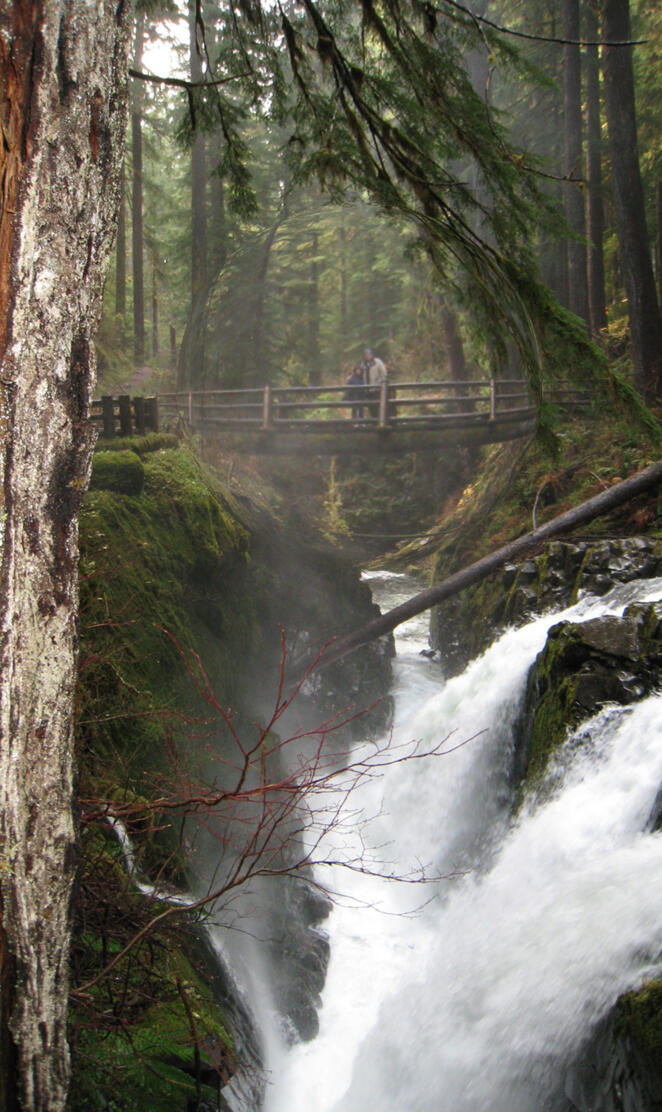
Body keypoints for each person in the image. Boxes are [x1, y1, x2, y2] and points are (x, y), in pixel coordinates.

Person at [361, 348, 388, 417]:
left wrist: (381, 383)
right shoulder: (364, 364)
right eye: (366, 355)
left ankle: (379, 419)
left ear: (372, 355)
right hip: (368, 389)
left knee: (378, 405)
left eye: (369, 354)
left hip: (377, 388)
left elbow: (383, 373)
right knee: (371, 407)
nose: (367, 356)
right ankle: (373, 420)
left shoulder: (377, 362)